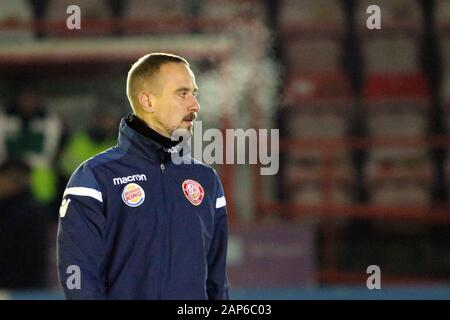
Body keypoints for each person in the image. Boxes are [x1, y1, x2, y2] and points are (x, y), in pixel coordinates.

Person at [57, 53, 229, 300]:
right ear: (147, 101)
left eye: (195, 93)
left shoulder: (206, 180)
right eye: (182, 94)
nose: (194, 105)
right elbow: (79, 275)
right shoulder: (94, 178)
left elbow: (217, 282)